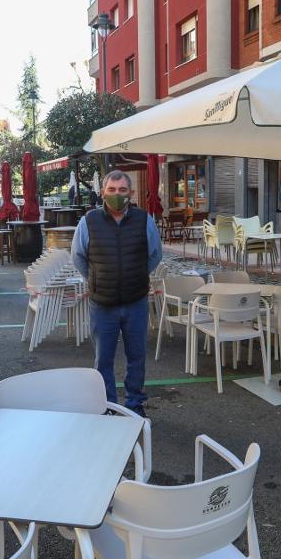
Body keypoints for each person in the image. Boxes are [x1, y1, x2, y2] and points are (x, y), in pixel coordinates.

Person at [71, 170, 162, 415]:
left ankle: (134, 404)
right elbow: (78, 256)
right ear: (102, 192)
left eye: (122, 190)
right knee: (103, 360)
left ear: (131, 193)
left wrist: (137, 275)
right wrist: (95, 280)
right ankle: (108, 405)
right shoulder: (88, 221)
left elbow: (155, 254)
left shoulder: (145, 220)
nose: (117, 195)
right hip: (103, 304)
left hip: (136, 302)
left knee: (137, 357)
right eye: (112, 190)